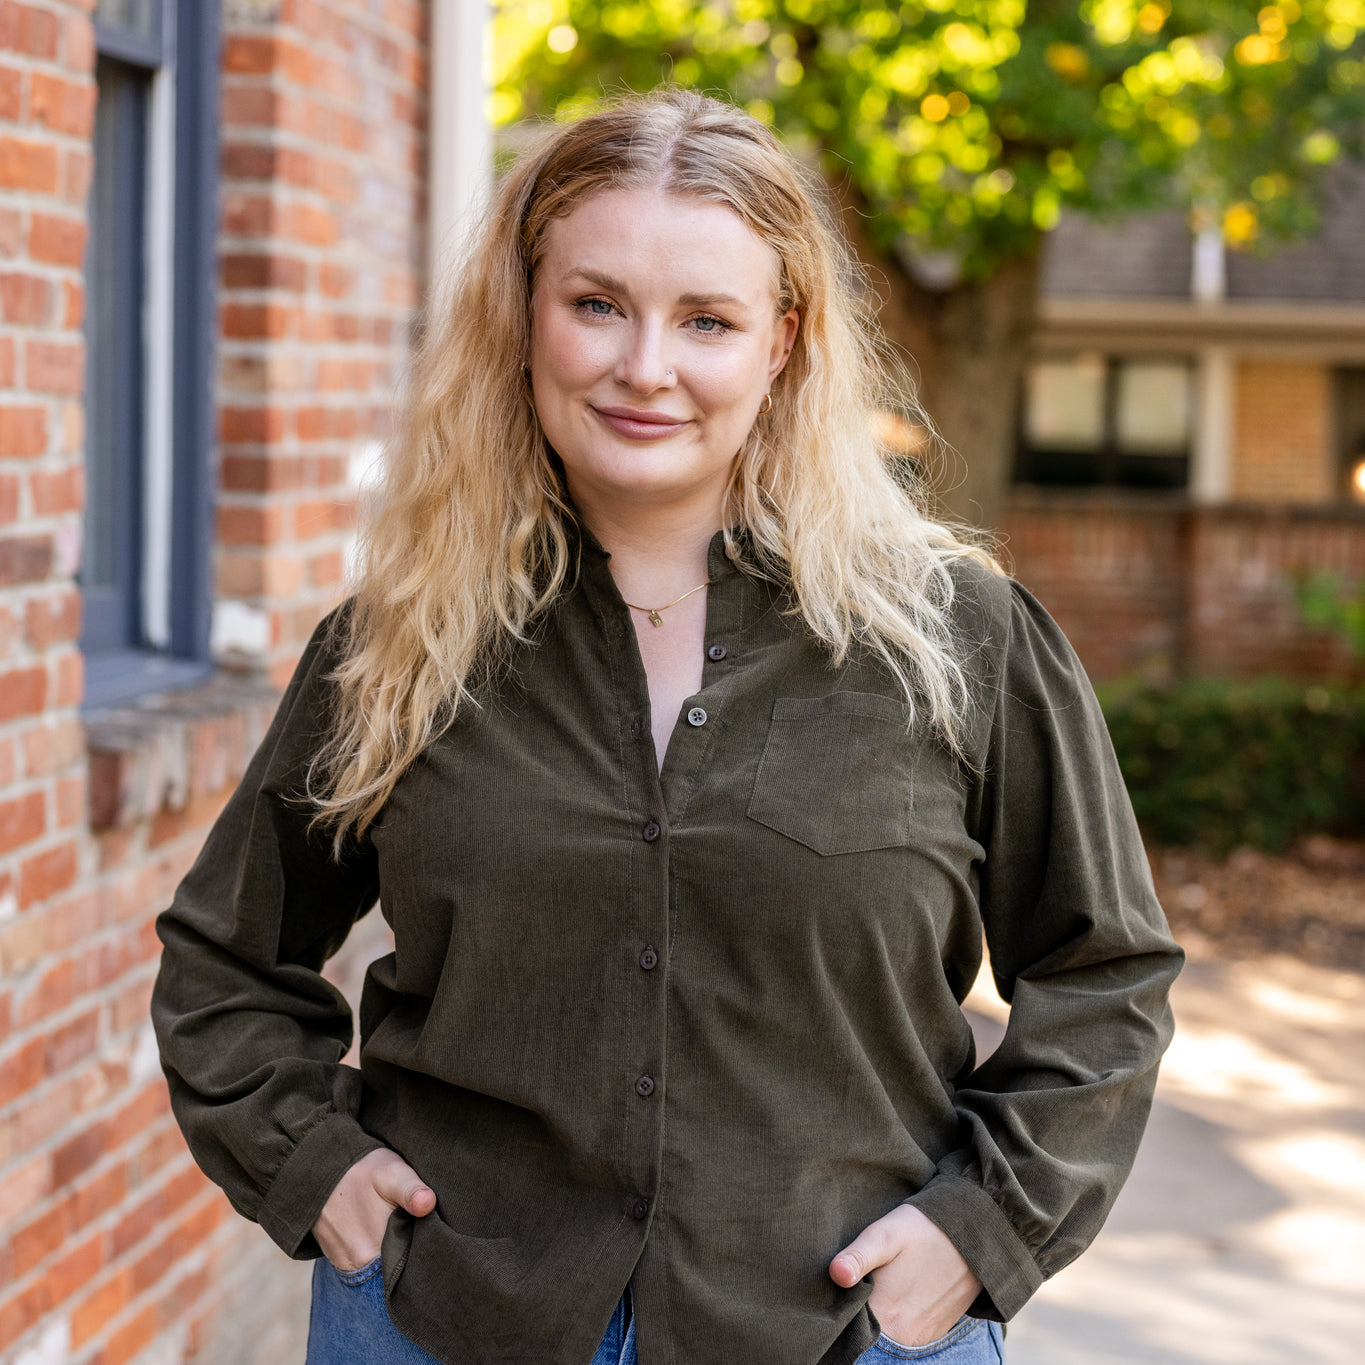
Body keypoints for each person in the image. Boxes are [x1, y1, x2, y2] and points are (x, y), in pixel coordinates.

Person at [152, 88, 1182, 1365]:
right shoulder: (403, 642)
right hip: (447, 1321)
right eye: (597, 304)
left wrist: (985, 1228)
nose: (646, 367)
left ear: (782, 344)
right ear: (526, 315)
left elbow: (1104, 975)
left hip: (845, 1335)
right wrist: (316, 1170)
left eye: (707, 319)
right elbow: (226, 958)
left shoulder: (957, 637)